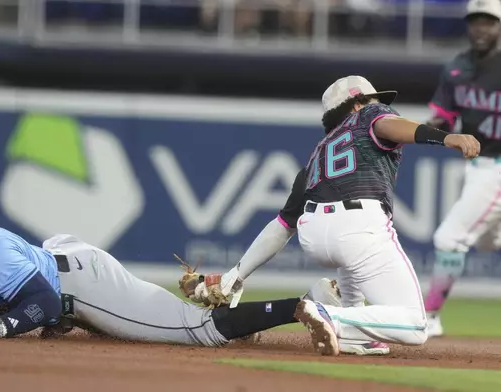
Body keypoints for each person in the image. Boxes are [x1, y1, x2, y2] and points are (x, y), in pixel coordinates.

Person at [0, 174, 339, 346]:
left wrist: (0, 328)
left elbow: (44, 304)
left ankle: (298, 305)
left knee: (198, 331)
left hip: (79, 286)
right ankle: (247, 324)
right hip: (54, 262)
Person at [195, 75, 480, 356]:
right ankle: (323, 311)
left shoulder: (316, 155)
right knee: (415, 326)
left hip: (314, 232)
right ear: (356, 104)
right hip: (358, 225)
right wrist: (444, 138)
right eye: (372, 99)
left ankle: (336, 316)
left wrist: (237, 274)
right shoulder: (369, 114)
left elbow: (281, 226)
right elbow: (389, 124)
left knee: (358, 315)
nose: (378, 103)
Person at [423, 0, 501, 338]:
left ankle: (429, 315)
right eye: (476, 20)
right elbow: (442, 116)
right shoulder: (457, 66)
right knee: (488, 242)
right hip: (477, 167)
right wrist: (424, 128)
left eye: (489, 21)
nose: (481, 28)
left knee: (450, 237)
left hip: (496, 168)